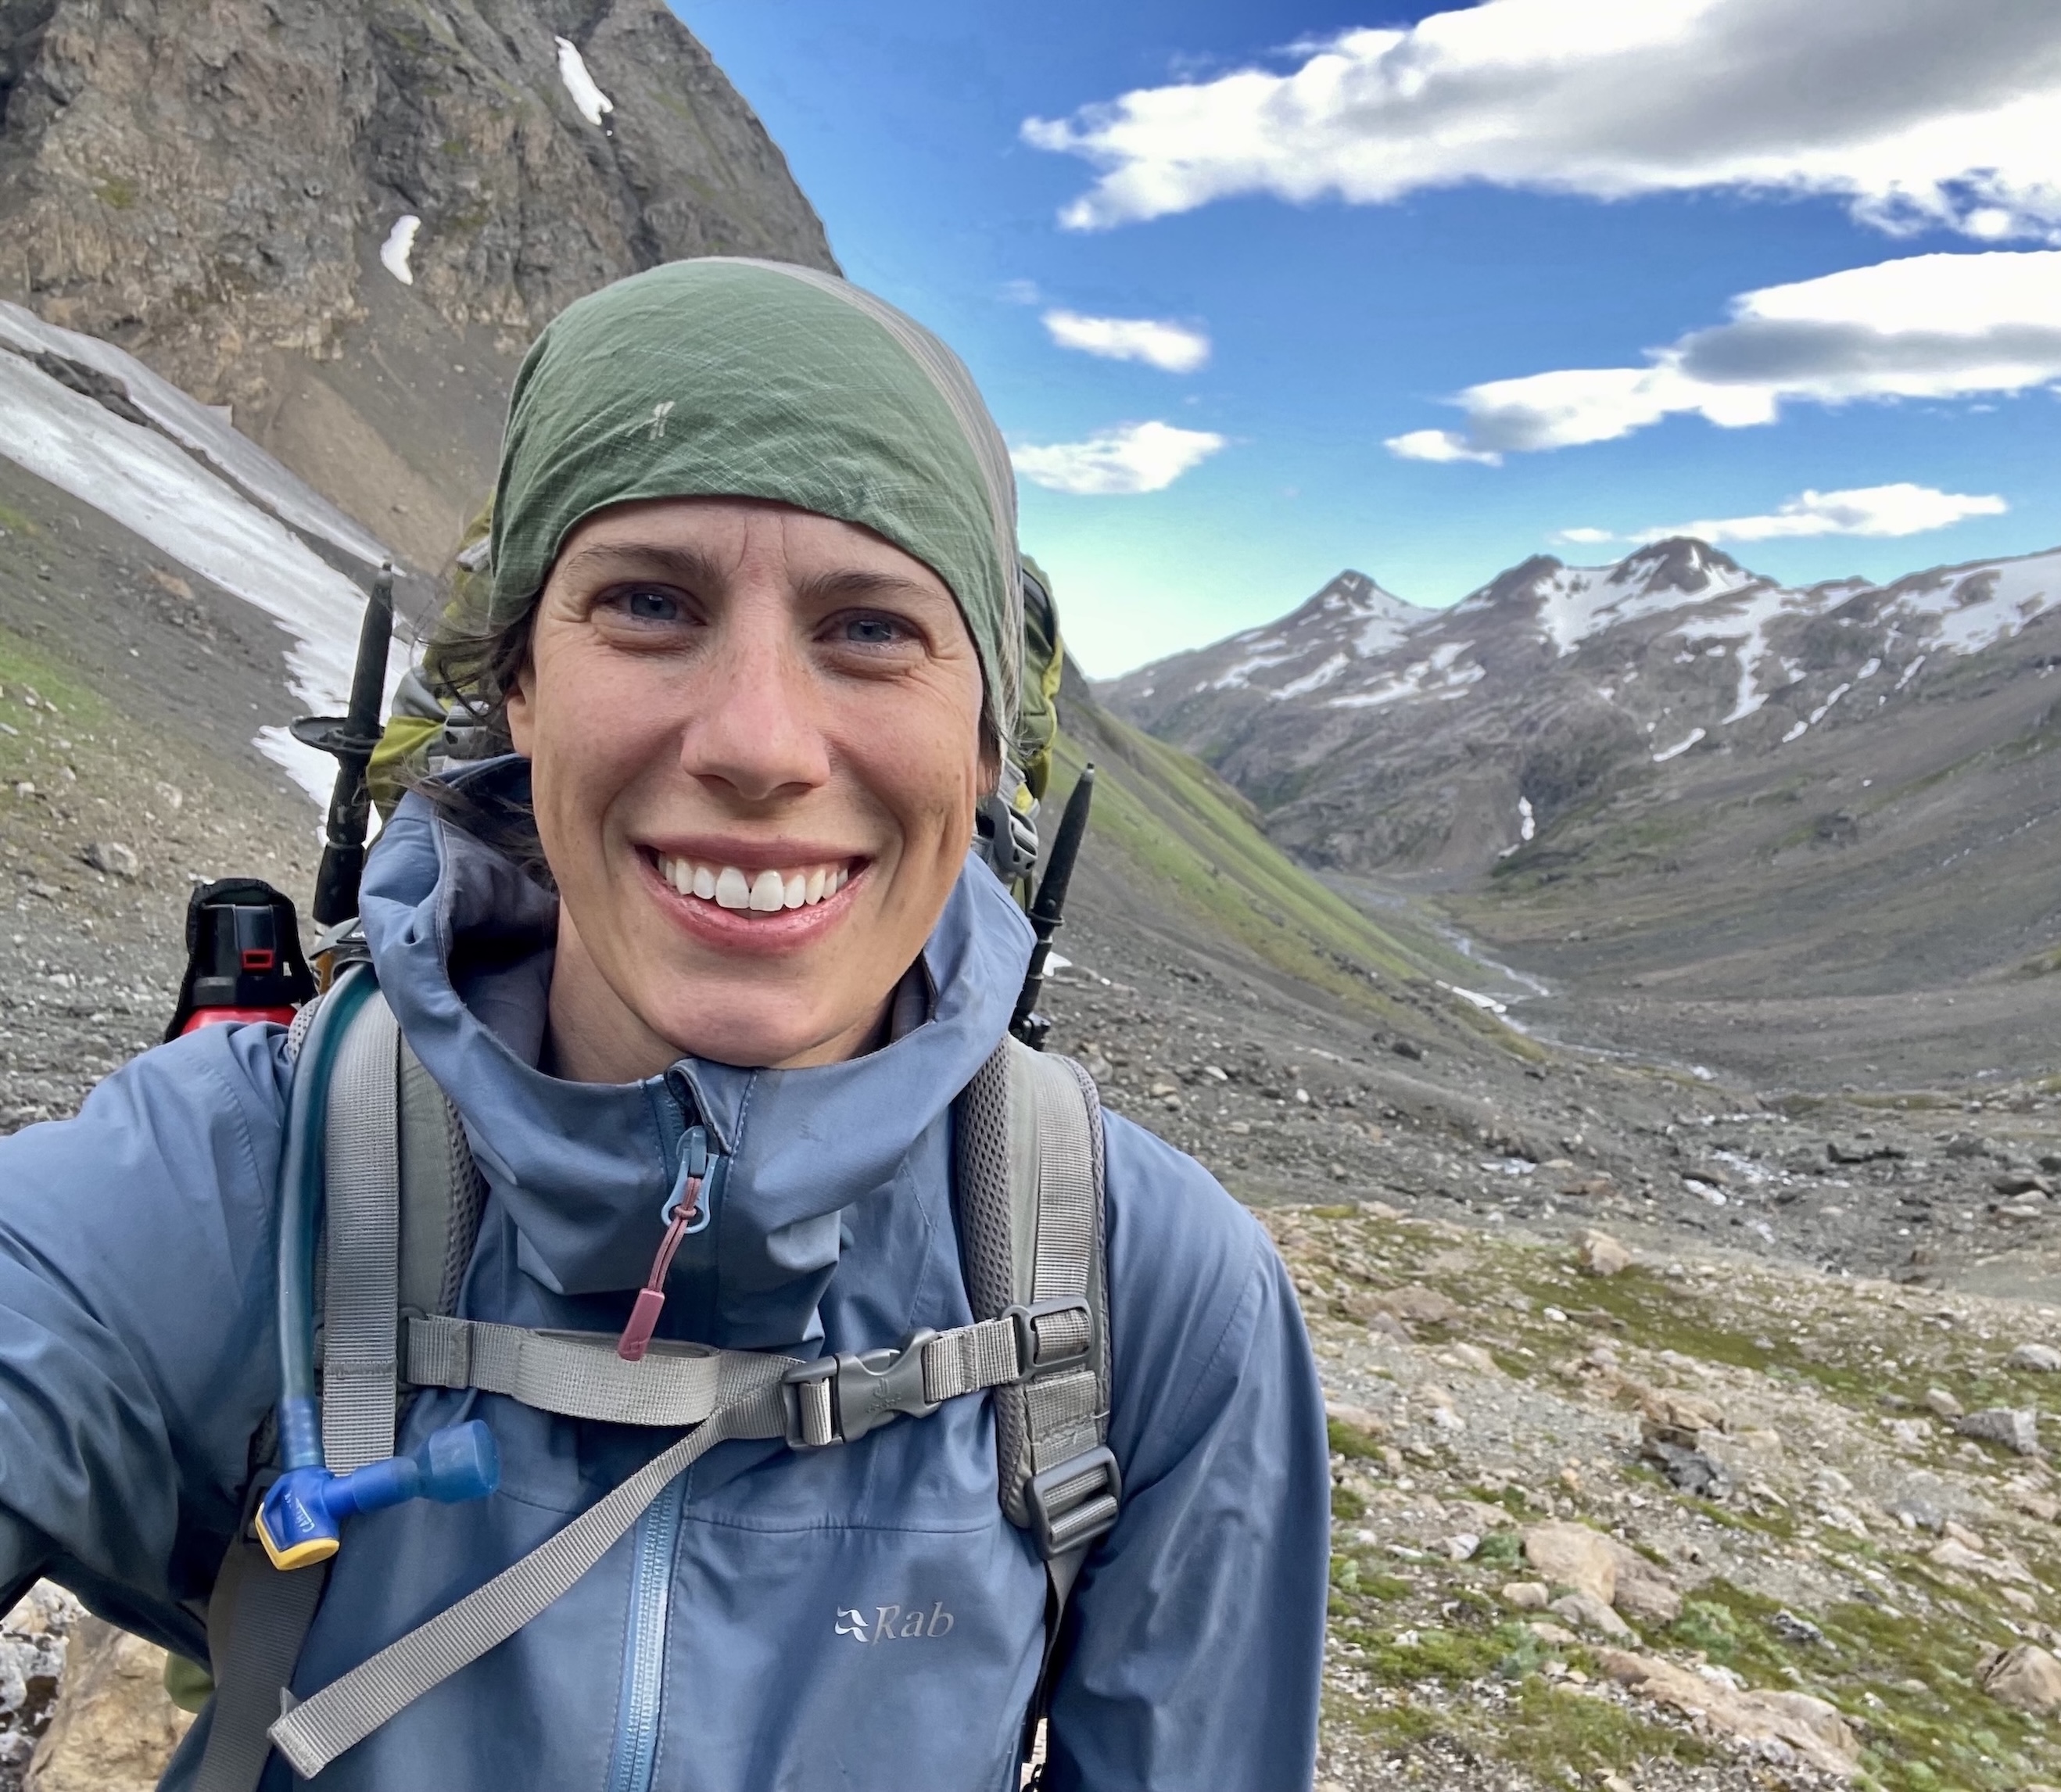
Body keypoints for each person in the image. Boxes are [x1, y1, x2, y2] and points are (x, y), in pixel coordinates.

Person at [0, 259, 1328, 1790]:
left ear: (983, 749)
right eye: (648, 603)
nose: (758, 743)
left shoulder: (1156, 1299)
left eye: (871, 628)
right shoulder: (234, 1179)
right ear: (521, 684)